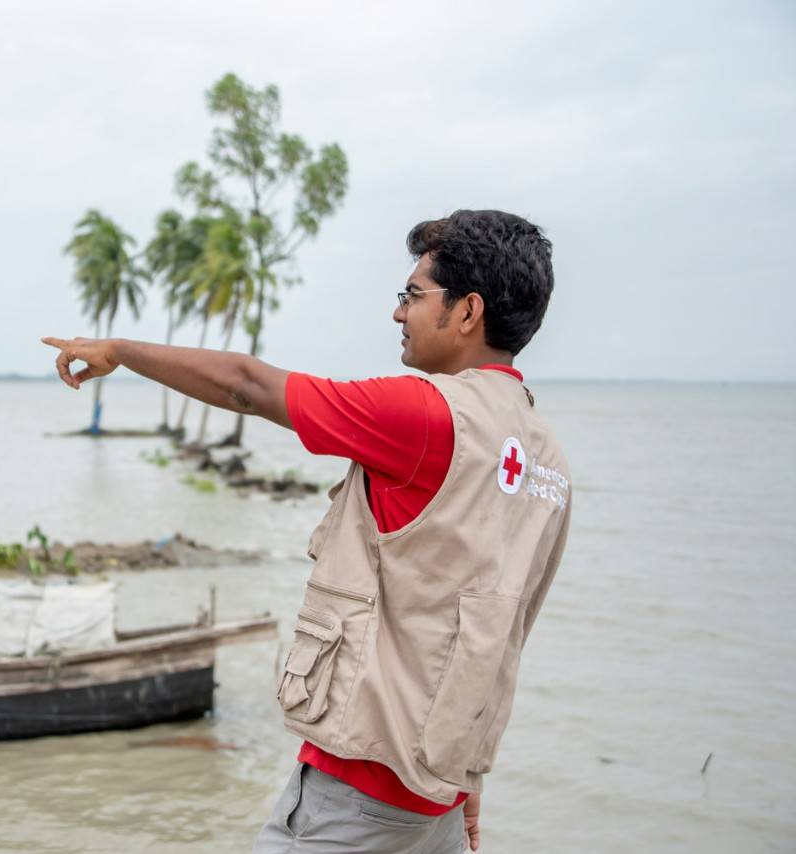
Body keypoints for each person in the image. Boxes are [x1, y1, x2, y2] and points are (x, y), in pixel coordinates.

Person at [43, 209, 571, 853]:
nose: (399, 314)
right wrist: (469, 777)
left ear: (467, 313)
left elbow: (245, 385)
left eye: (412, 295)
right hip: (439, 797)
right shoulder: (546, 458)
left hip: (357, 798)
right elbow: (504, 629)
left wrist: (118, 351)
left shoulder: (425, 414)